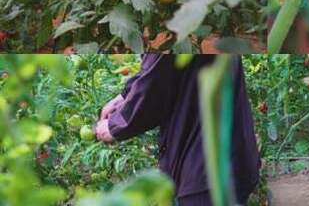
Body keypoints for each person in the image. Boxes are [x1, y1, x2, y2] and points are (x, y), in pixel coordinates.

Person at [94, 54, 261, 206]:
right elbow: (162, 68)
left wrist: (114, 126)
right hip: (227, 155)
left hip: (205, 168)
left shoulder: (176, 32)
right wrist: (124, 96)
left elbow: (156, 81)